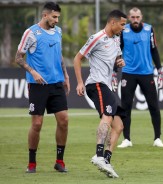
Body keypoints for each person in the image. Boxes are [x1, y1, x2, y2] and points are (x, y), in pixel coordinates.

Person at [15, 2, 70, 173]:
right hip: (38, 85)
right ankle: (32, 163)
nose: (57, 20)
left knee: (64, 120)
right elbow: (18, 57)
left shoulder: (58, 31)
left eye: (58, 17)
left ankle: (59, 161)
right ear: (45, 15)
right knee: (37, 124)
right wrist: (33, 72)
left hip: (57, 83)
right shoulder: (31, 33)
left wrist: (66, 74)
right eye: (54, 17)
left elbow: (59, 54)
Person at [73, 10, 127, 178]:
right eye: (122, 24)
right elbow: (77, 58)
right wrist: (80, 82)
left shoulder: (117, 39)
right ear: (113, 22)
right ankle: (98, 155)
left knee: (119, 126)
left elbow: (116, 61)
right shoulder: (96, 38)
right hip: (96, 83)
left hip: (107, 86)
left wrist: (119, 63)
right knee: (108, 116)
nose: (124, 28)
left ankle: (107, 161)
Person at [116, 7, 163, 148]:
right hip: (128, 73)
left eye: (137, 17)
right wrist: (114, 72)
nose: (135, 20)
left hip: (146, 73)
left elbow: (154, 50)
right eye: (133, 17)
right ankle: (127, 139)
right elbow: (117, 50)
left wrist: (160, 70)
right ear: (129, 17)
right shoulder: (123, 31)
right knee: (125, 106)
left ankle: (157, 138)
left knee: (154, 106)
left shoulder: (149, 29)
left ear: (141, 17)